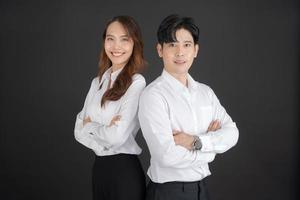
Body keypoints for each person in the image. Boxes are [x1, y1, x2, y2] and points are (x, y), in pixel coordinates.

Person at [138, 14, 239, 200]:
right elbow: (166, 156)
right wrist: (212, 151)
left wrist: (196, 142)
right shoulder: (153, 96)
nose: (180, 52)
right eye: (172, 45)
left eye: (186, 45)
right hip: (168, 192)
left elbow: (232, 132)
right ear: (160, 50)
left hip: (202, 190)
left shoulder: (205, 93)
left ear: (196, 50)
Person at [74, 16, 146, 200]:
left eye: (124, 39)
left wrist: (90, 126)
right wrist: (105, 131)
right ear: (104, 42)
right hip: (99, 171)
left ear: (134, 43)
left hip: (124, 172)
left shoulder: (137, 83)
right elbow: (78, 132)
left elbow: (117, 137)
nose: (116, 46)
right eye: (110, 38)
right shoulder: (96, 83)